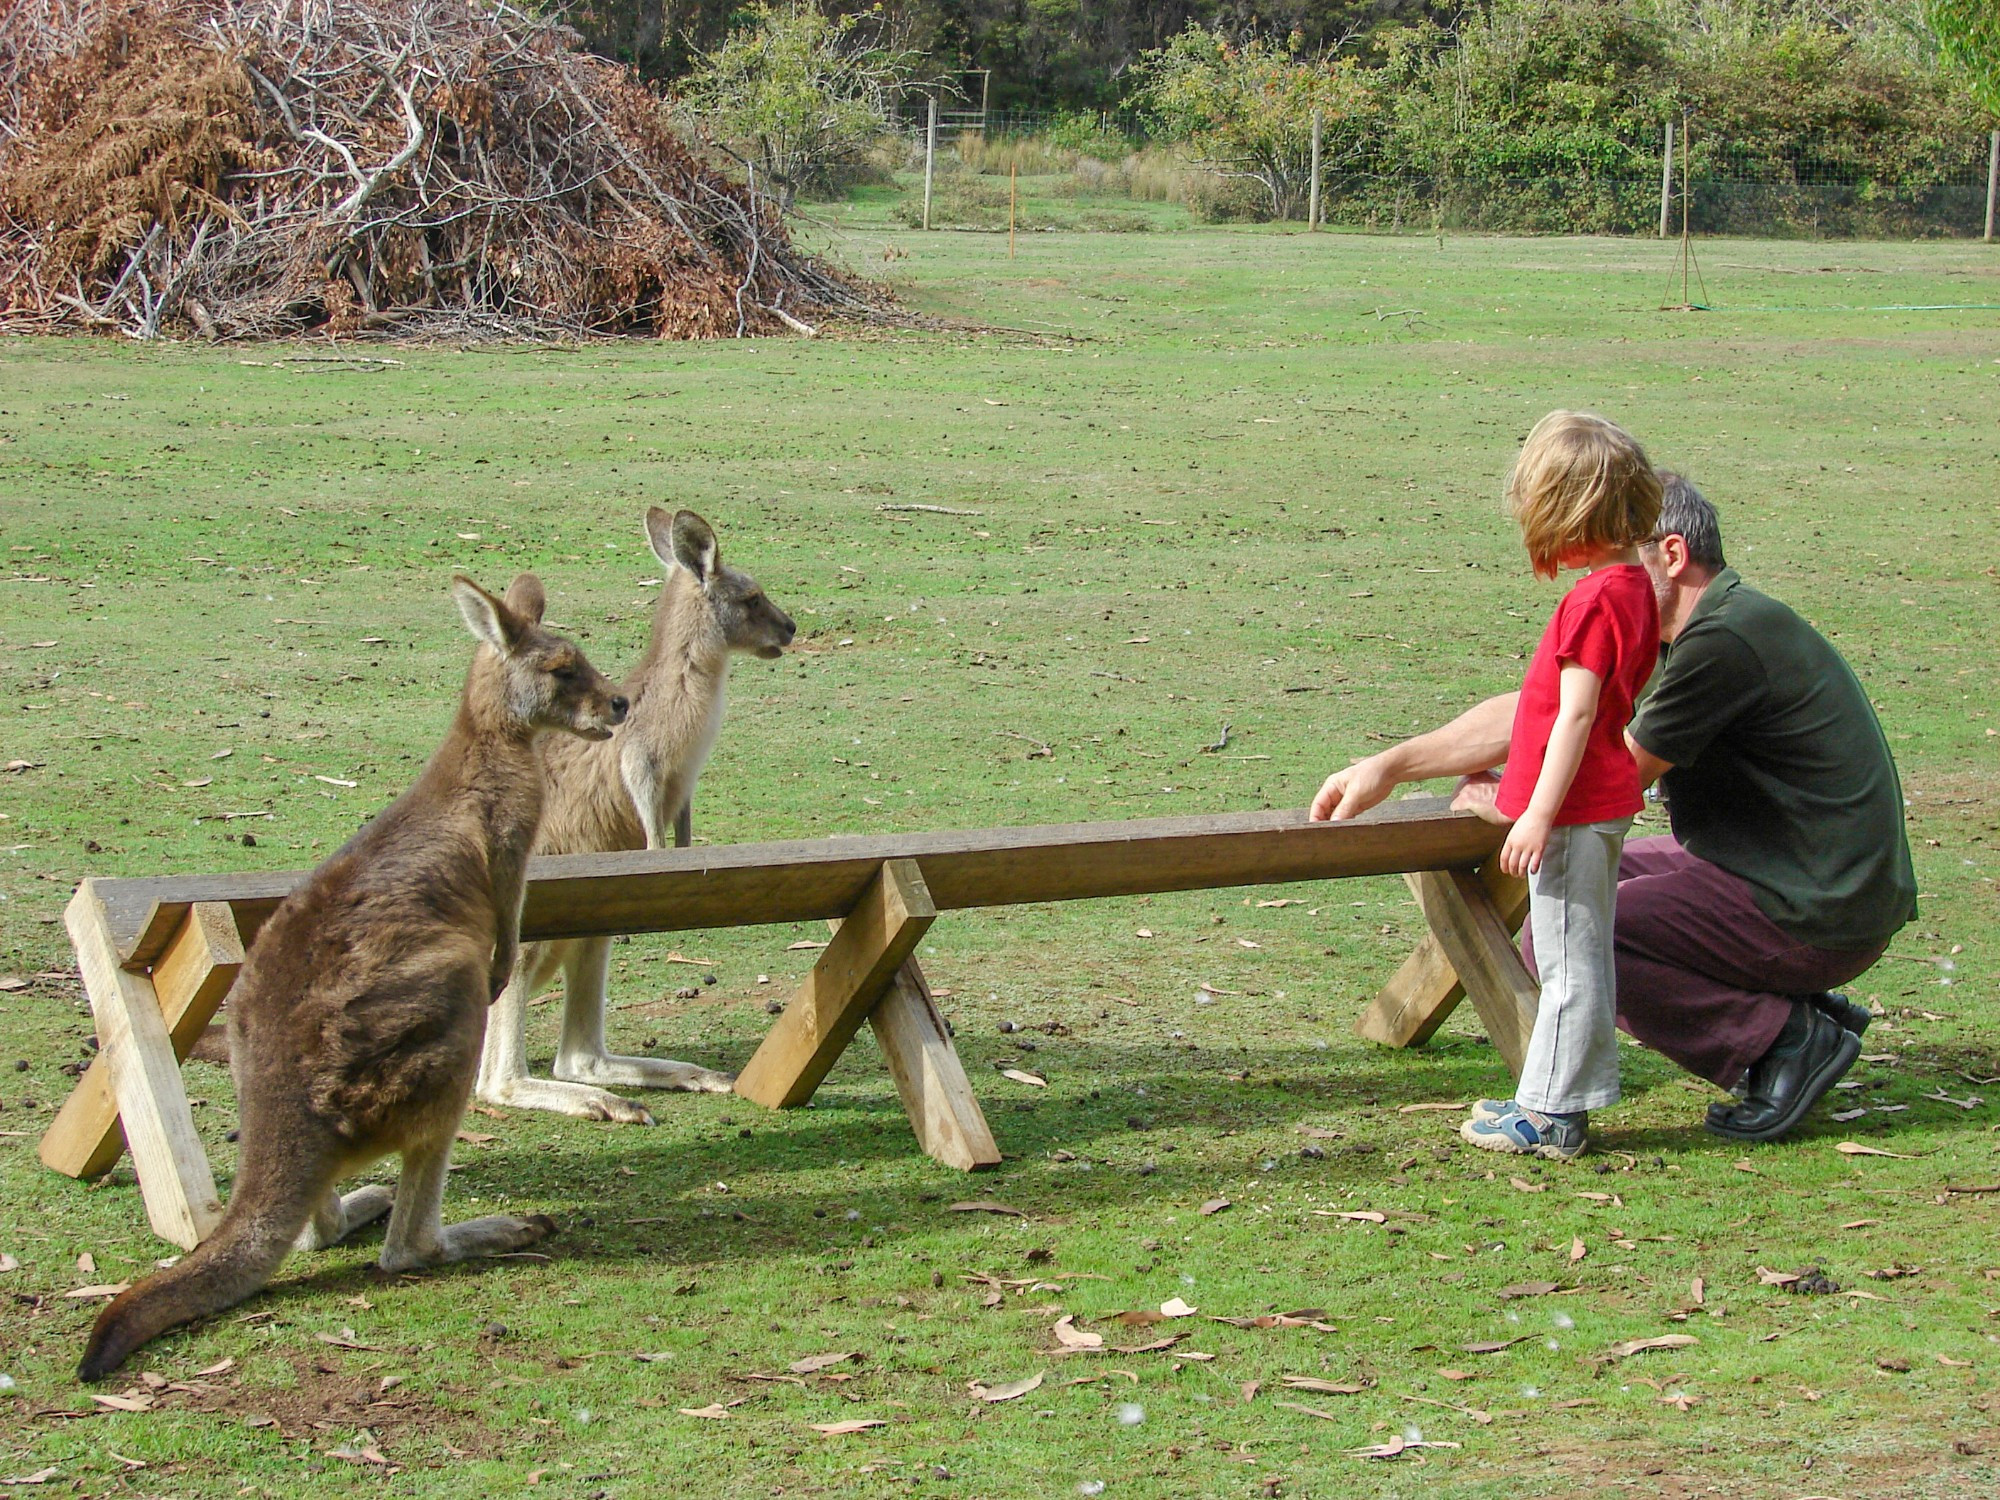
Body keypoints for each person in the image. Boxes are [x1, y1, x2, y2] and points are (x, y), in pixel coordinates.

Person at [1311, 472, 1916, 1144]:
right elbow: (1544, 711)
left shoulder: (1721, 643)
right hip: (1792, 877)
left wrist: (1512, 804)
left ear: (1673, 555)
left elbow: (1614, 774)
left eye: (1625, 552)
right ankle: (1783, 1008)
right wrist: (1391, 765)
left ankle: (1780, 1040)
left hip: (1816, 906)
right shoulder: (1690, 623)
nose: (1611, 569)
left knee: (1574, 931)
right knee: (1588, 894)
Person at [1449, 412, 1661, 1162]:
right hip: (1587, 805)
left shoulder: (1596, 600)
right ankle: (1546, 1096)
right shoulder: (1633, 587)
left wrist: (1535, 812)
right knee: (1573, 953)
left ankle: (1553, 1115)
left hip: (1572, 813)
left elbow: (1577, 714)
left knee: (1568, 962)